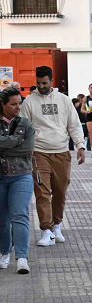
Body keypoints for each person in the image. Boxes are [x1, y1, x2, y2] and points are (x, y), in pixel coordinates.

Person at [19, 66, 86, 247]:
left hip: (62, 152)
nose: (41, 86)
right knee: (42, 192)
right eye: (38, 83)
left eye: (45, 83)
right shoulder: (28, 103)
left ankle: (57, 225)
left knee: (60, 192)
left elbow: (74, 124)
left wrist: (80, 145)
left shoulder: (64, 101)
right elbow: (23, 128)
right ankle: (46, 230)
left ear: (51, 81)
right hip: (39, 152)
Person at [0, 87, 36, 274]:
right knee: (2, 219)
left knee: (20, 215)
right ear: (3, 105)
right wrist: (16, 141)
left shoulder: (26, 124)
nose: (18, 107)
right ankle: (4, 251)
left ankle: (22, 257)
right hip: (1, 177)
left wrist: (5, 145)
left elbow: (27, 150)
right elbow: (19, 146)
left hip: (22, 175)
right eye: (13, 104)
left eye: (19, 103)